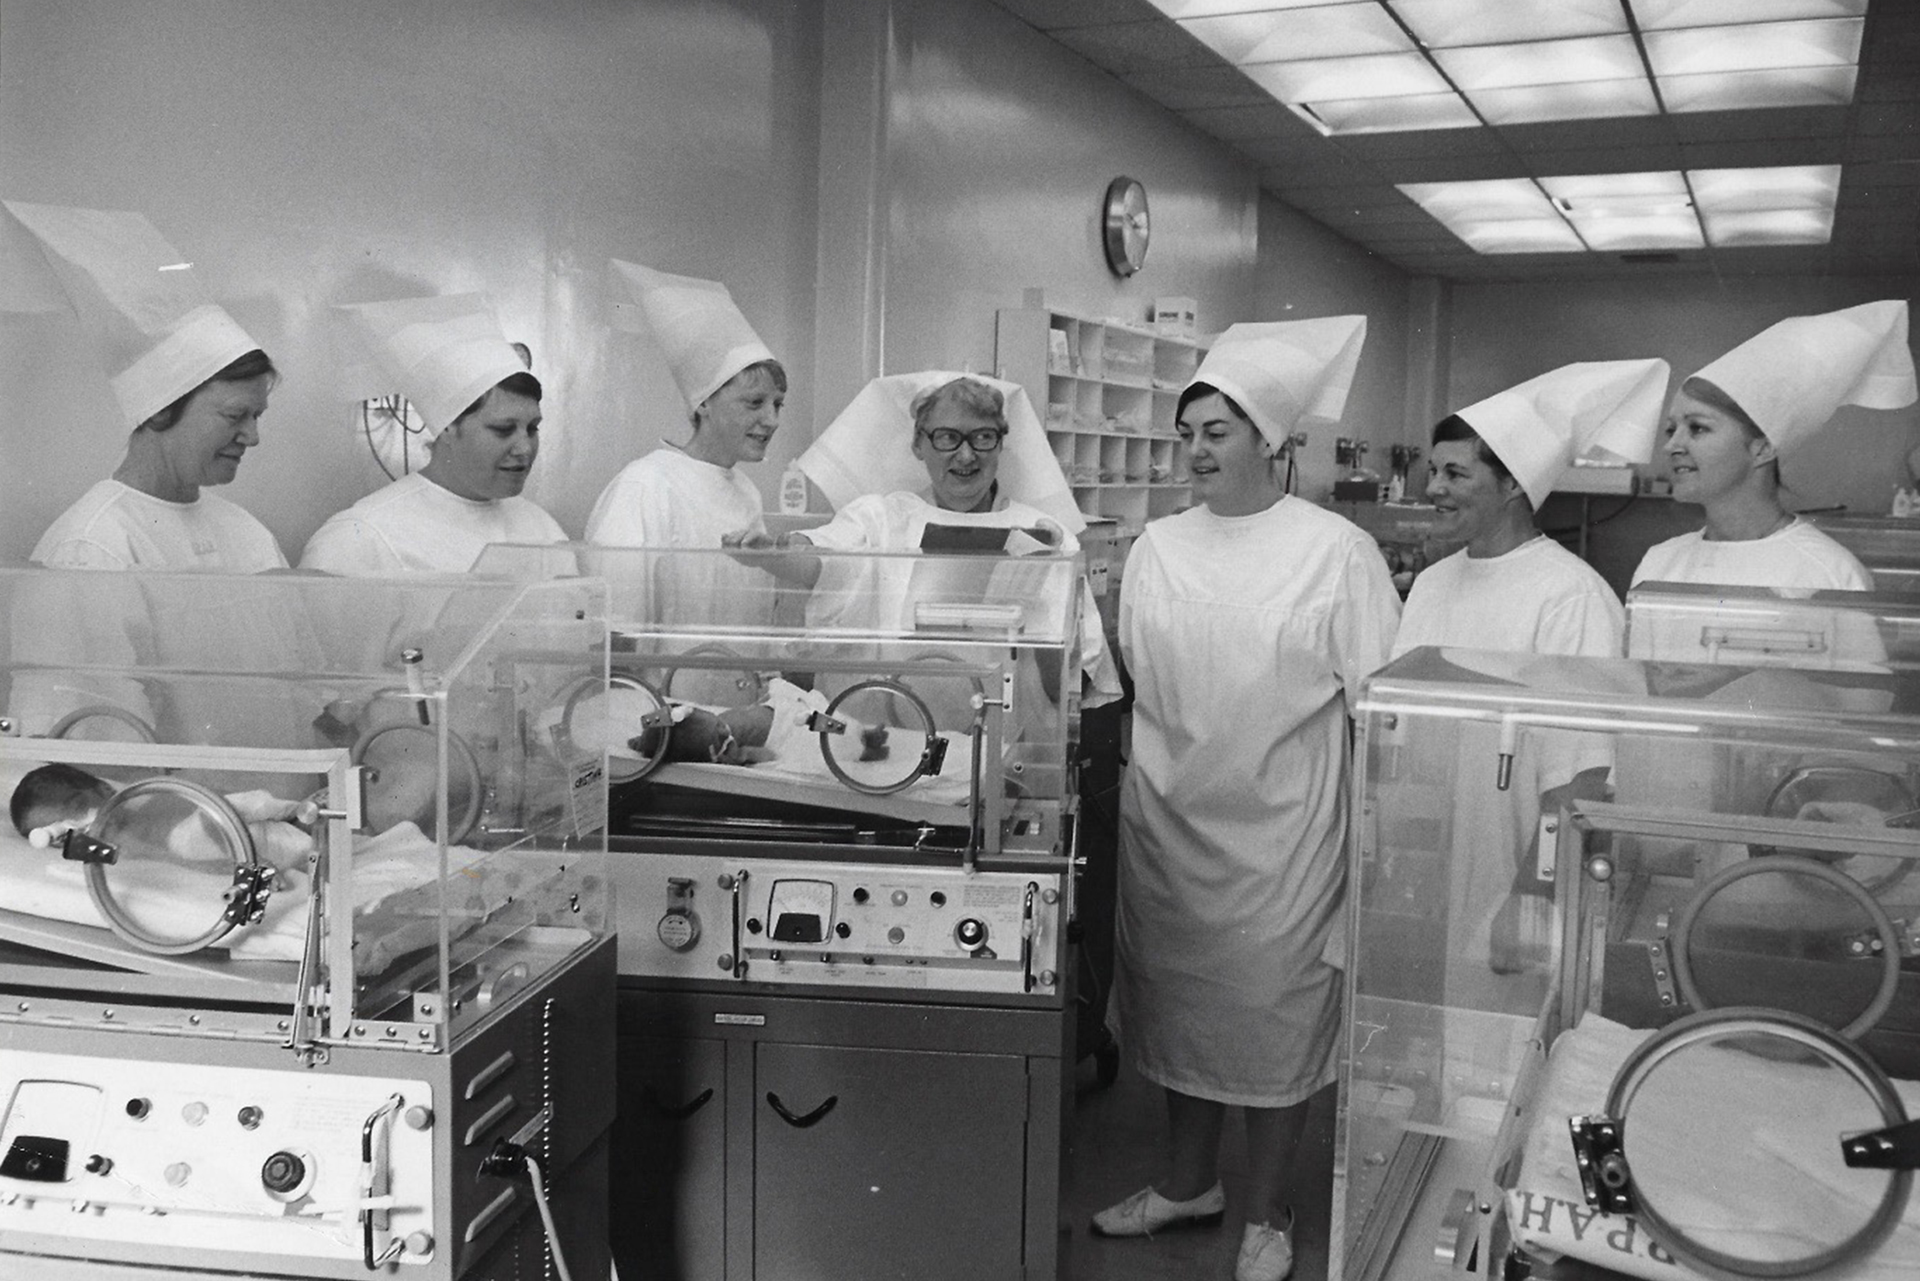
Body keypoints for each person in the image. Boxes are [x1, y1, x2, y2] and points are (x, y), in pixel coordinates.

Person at [1098, 317, 1398, 1281]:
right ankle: (1190, 1184)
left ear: (1270, 440)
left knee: (1272, 1023)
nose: (1194, 451)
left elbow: (1379, 702)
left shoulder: (1336, 551)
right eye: (1186, 433)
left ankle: (1266, 1210)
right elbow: (1140, 672)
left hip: (1287, 834)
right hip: (1174, 820)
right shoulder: (1157, 545)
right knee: (1183, 1013)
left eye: (1215, 432)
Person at [1390, 360, 1667, 982]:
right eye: (1432, 470)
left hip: (1515, 880)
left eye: (1455, 473)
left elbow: (1584, 775)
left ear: (1512, 485)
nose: (1433, 487)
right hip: (1426, 874)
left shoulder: (1571, 596)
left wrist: (1533, 897)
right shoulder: (1432, 586)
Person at [752, 372, 1121, 722]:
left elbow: (1078, 677)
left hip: (1001, 754)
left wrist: (1037, 619)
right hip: (887, 747)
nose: (965, 456)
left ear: (1000, 443)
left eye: (983, 437)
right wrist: (781, 551)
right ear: (918, 443)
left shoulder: (1045, 537)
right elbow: (827, 560)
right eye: (947, 437)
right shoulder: (883, 520)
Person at [5, 201, 286, 571]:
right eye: (236, 415)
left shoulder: (249, 535)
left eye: (256, 416)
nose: (252, 437)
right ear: (160, 410)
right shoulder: (94, 546)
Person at [1632, 300, 1917, 593]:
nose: (1671, 445)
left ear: (1763, 448)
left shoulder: (1830, 574)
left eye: (1698, 427)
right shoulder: (1660, 563)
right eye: (1671, 429)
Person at [300, 294, 565, 575]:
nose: (524, 448)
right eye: (503, 430)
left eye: (532, 428)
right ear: (449, 425)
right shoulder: (362, 538)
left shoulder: (543, 529)